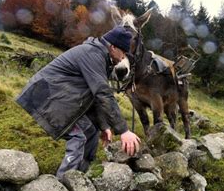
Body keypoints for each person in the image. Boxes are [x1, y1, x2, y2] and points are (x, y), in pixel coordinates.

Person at [16, 26, 141, 179]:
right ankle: (63, 184)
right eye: (123, 52)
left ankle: (82, 177)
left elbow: (95, 96)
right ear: (113, 47)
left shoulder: (101, 56)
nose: (123, 58)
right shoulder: (92, 54)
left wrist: (104, 126)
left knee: (91, 131)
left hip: (57, 96)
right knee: (78, 136)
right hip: (45, 95)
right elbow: (103, 93)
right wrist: (124, 131)